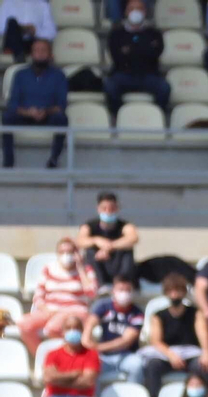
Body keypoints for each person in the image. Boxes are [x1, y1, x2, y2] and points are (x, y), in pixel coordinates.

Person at [138, 274, 208, 397]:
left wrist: (206, 353)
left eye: (178, 291)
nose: (174, 295)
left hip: (190, 353)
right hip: (166, 354)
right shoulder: (158, 316)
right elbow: (155, 341)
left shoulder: (196, 313)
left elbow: (203, 333)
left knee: (203, 366)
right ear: (166, 293)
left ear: (183, 292)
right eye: (171, 291)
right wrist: (171, 355)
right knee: (152, 365)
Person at [20, 236, 97, 354]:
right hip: (50, 310)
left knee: (52, 328)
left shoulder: (86, 270)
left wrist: (80, 268)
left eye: (70, 252)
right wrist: (44, 309)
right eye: (62, 252)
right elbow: (38, 295)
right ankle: (42, 358)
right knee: (24, 324)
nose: (66, 255)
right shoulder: (48, 269)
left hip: (75, 311)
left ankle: (70, 356)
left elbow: (92, 293)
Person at [2, 39, 67, 169]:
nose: (40, 54)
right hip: (24, 115)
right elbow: (13, 103)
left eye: (43, 51)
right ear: (31, 54)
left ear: (50, 54)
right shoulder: (20, 75)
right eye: (36, 51)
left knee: (62, 119)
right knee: (7, 117)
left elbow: (61, 104)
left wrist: (45, 111)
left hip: (48, 116)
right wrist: (28, 112)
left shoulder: (59, 75)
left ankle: (53, 159)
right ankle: (8, 161)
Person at [35, 316, 101, 397]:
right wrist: (74, 374)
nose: (72, 331)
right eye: (68, 328)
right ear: (63, 332)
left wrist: (59, 379)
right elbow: (48, 378)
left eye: (76, 328)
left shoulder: (91, 354)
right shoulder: (53, 354)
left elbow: (88, 382)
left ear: (82, 331)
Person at [104, 0, 168, 114]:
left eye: (139, 9)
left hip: (149, 75)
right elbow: (117, 57)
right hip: (124, 75)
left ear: (144, 12)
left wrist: (130, 50)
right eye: (131, 9)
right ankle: (118, 116)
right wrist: (144, 48)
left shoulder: (154, 33)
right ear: (126, 12)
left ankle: (158, 116)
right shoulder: (116, 34)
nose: (135, 12)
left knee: (164, 88)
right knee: (110, 86)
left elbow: (155, 54)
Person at [86, 275, 146, 383]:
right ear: (113, 291)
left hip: (127, 355)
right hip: (104, 358)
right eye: (121, 290)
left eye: (127, 290)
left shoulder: (137, 313)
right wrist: (86, 340)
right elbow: (90, 323)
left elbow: (127, 340)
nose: (124, 293)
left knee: (137, 365)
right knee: (90, 367)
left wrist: (98, 347)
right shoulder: (104, 306)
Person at [76, 192, 139, 288]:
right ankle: (99, 286)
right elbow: (80, 241)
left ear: (117, 208)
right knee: (90, 250)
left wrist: (108, 247)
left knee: (127, 249)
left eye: (111, 208)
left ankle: (123, 285)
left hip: (117, 265)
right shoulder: (89, 226)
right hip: (99, 264)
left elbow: (133, 238)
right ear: (98, 209)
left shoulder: (124, 225)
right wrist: (96, 240)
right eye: (104, 208)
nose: (108, 211)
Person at [0, 0, 54, 64]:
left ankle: (20, 57)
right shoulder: (8, 2)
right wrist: (19, 28)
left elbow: (51, 32)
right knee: (12, 22)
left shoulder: (42, 4)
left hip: (32, 43)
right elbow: (1, 28)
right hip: (12, 43)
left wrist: (35, 31)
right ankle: (20, 56)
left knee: (40, 43)